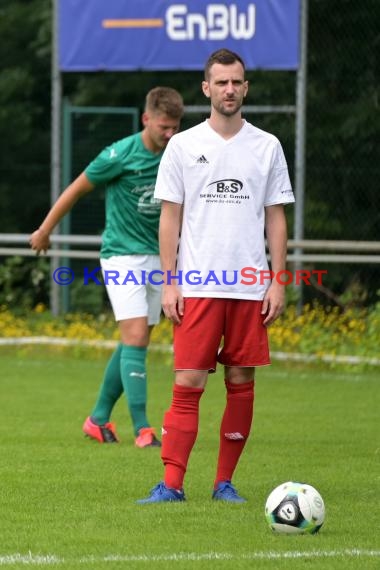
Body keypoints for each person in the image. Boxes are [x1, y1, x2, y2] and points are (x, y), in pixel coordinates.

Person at [137, 49, 295, 502]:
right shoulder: (183, 145)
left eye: (236, 82)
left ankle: (224, 483)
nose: (229, 89)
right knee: (189, 381)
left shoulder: (267, 146)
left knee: (241, 382)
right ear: (206, 89)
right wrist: (170, 281)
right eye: (221, 82)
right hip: (197, 286)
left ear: (245, 88)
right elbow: (169, 218)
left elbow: (276, 218)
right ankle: (171, 485)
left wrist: (277, 279)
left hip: (249, 286)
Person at [30, 87, 184, 447]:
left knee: (137, 338)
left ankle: (97, 419)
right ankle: (143, 428)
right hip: (122, 256)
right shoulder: (119, 154)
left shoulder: (178, 154)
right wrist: (45, 230)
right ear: (146, 119)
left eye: (175, 127)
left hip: (159, 258)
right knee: (135, 338)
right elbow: (76, 189)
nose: (170, 134)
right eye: (164, 127)